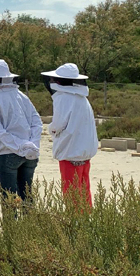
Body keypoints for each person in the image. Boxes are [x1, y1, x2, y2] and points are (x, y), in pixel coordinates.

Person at [0, 59, 42, 202]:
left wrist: (18, 146)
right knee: (27, 197)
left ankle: (12, 225)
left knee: (9, 201)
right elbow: (37, 121)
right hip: (30, 154)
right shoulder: (22, 96)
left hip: (7, 154)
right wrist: (31, 144)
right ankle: (31, 224)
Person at [43, 62, 97, 206]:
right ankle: (87, 223)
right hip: (85, 154)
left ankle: (75, 225)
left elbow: (58, 124)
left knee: (71, 194)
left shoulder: (63, 97)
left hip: (70, 152)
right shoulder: (82, 98)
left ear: (59, 81)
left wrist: (50, 130)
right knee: (84, 192)